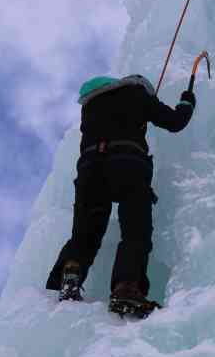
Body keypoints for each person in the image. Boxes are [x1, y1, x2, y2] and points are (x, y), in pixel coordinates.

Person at [46, 73, 195, 316]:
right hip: (127, 164)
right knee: (136, 232)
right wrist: (187, 100)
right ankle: (126, 288)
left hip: (90, 169)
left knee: (84, 234)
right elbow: (175, 121)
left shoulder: (90, 105)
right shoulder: (138, 94)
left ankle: (70, 274)